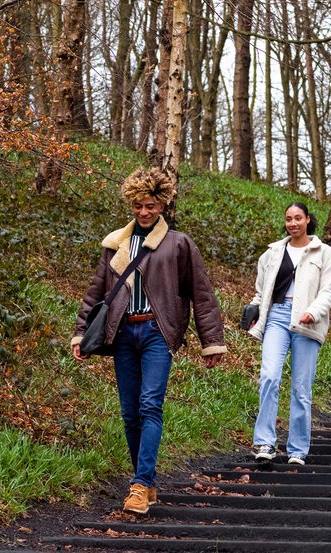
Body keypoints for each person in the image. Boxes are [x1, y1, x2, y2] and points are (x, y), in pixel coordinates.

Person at [71, 167, 227, 514]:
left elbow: (201, 293)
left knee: (150, 405)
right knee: (130, 413)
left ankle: (139, 485)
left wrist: (211, 341)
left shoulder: (179, 244)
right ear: (132, 204)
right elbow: (97, 291)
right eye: (139, 205)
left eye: (151, 206)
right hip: (123, 333)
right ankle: (149, 481)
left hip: (158, 332)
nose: (144, 212)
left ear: (162, 205)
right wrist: (82, 332)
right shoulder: (115, 244)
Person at [247, 203, 331, 466]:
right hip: (276, 315)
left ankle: (298, 448)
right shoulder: (273, 252)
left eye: (298, 218)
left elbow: (328, 291)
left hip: (307, 321)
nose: (293, 223)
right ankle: (265, 442)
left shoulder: (324, 253)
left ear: (308, 220)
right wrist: (254, 310)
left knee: (301, 387)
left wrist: (314, 311)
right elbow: (260, 290)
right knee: (269, 376)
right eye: (288, 219)